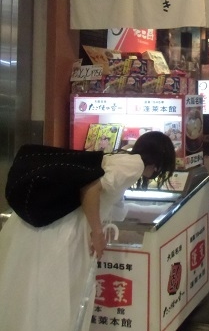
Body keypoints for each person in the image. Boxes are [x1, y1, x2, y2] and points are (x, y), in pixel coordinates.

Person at [0, 131, 176, 331]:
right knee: (61, 293)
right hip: (67, 230)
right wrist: (97, 233)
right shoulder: (134, 165)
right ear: (159, 162)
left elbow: (113, 205)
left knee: (36, 291)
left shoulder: (118, 158)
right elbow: (91, 188)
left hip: (50, 225)